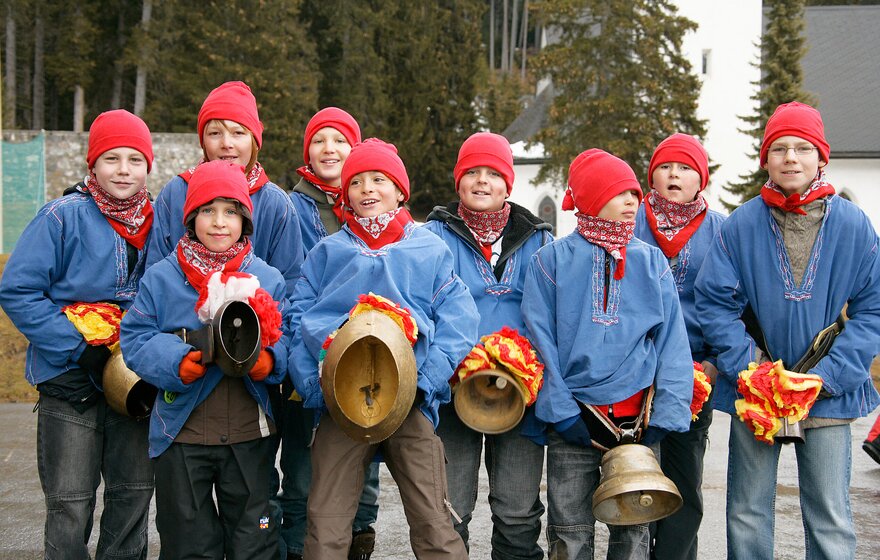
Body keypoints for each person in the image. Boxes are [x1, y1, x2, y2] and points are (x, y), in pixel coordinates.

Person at [695, 101, 880, 560]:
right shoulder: (740, 225)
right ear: (766, 159)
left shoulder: (854, 225)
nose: (791, 158)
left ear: (822, 157)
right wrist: (752, 369)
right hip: (758, 393)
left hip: (827, 393)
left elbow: (873, 309)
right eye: (779, 148)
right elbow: (716, 304)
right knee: (747, 510)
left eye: (803, 148)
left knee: (830, 514)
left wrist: (828, 376)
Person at [288, 138, 478, 559]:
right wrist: (317, 387)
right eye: (357, 182)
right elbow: (298, 321)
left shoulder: (429, 249)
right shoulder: (327, 253)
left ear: (399, 190)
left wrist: (425, 382)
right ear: (346, 193)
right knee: (325, 522)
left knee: (433, 520)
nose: (368, 189)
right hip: (341, 402)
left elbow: (460, 320)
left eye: (380, 179)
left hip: (409, 402)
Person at [521, 148, 693, 559]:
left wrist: (665, 418)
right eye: (621, 193)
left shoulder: (652, 262)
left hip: (638, 424)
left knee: (633, 531)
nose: (634, 201)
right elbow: (539, 342)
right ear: (594, 197)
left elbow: (672, 345)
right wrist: (560, 411)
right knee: (569, 529)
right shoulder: (551, 261)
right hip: (575, 420)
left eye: (636, 192)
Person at [0, 109, 155, 559]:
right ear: (92, 165)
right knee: (69, 503)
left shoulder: (161, 221)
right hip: (70, 381)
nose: (123, 170)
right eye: (111, 158)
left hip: (135, 384)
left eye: (134, 159)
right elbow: (19, 289)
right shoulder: (62, 217)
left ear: (149, 165)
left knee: (133, 495)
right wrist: (76, 348)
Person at [120, 159, 290, 559]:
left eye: (231, 211)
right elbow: (136, 335)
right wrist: (175, 360)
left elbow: (291, 335)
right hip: (183, 435)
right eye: (207, 211)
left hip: (251, 435)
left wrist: (270, 360)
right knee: (188, 543)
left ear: (245, 222)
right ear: (190, 218)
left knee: (256, 538)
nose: (219, 222)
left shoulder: (268, 278)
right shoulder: (162, 277)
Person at [424, 131, 551, 559]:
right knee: (449, 508)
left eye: (493, 174)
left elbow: (550, 311)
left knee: (517, 510)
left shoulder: (537, 238)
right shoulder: (433, 236)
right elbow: (422, 307)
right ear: (458, 181)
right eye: (472, 172)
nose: (482, 181)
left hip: (521, 394)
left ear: (508, 185)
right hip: (453, 392)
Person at [284, 107, 380, 560]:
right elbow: (294, 282)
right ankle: (300, 546)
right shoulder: (292, 206)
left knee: (365, 459)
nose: (329, 149)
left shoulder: (369, 201)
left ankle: (360, 538)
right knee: (307, 466)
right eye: (319, 140)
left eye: (339, 140)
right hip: (314, 347)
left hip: (368, 352)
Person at [633, 133, 724, 560]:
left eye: (686, 168)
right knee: (634, 477)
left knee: (684, 480)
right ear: (652, 175)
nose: (674, 174)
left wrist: (713, 362)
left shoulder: (720, 230)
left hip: (694, 375)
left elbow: (733, 301)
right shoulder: (630, 219)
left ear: (700, 178)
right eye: (666, 166)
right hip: (633, 373)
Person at [146, 80, 303, 293]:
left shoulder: (275, 203)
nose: (226, 143)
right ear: (203, 141)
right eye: (215, 133)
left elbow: (289, 283)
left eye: (238, 133)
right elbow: (153, 272)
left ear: (254, 140)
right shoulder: (176, 193)